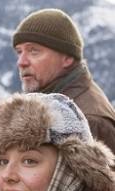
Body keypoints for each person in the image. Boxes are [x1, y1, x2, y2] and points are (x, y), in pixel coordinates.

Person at [13, 8, 115, 153]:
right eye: (19, 52)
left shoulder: (88, 120)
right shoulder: (53, 104)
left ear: (67, 58)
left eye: (33, 51)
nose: (21, 62)